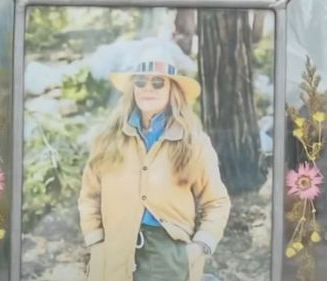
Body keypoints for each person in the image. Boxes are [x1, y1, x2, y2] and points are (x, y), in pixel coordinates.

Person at [78, 54, 231, 281]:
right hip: (113, 254)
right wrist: (96, 241)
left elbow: (217, 202)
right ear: (133, 88)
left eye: (158, 82)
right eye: (140, 81)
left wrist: (199, 247)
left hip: (168, 256)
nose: (147, 88)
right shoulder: (107, 139)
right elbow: (89, 196)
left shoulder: (194, 143)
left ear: (173, 90)